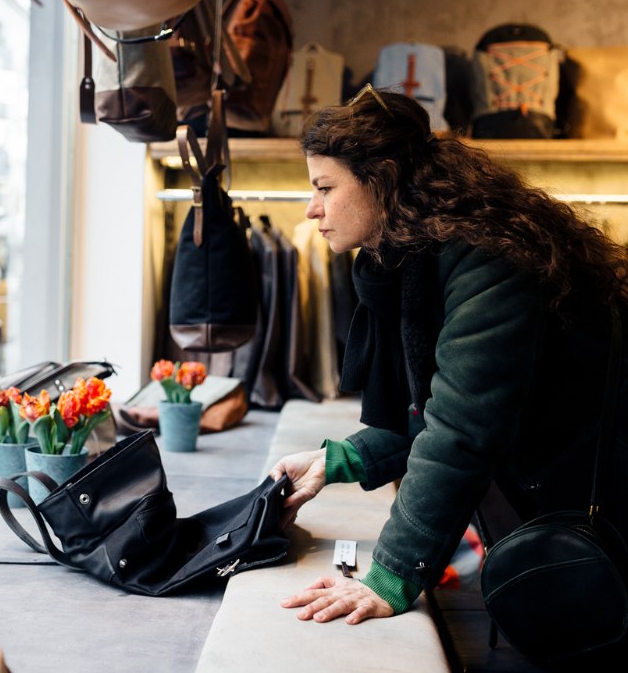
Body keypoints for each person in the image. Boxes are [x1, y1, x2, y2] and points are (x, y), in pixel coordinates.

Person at [269, 85, 628, 626]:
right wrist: (335, 461)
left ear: (383, 177)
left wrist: (390, 575)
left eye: (324, 186)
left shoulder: (488, 258)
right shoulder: (410, 259)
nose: (311, 207)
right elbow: (429, 404)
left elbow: (460, 426)